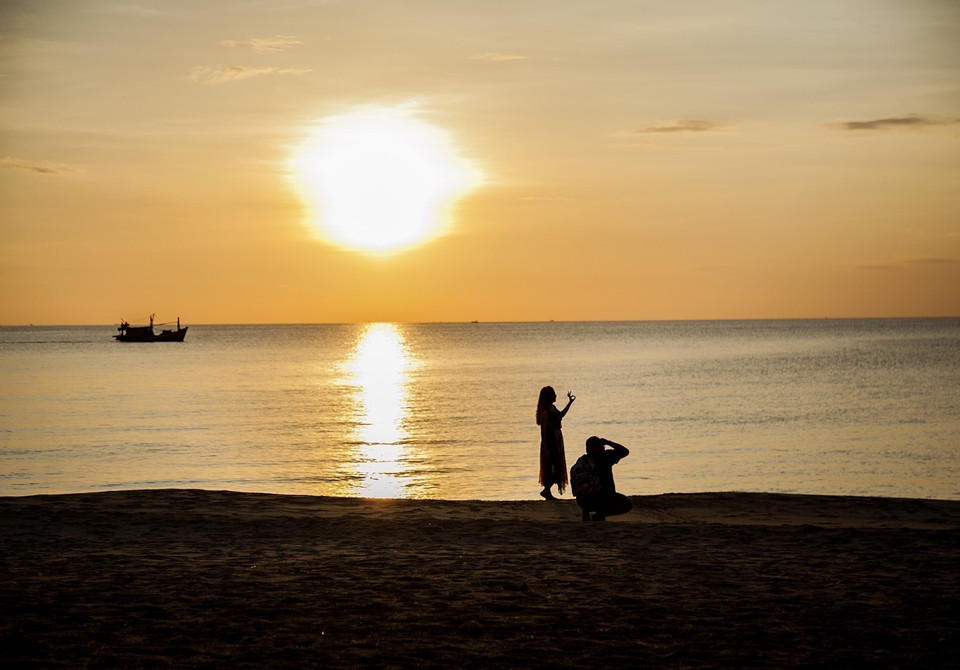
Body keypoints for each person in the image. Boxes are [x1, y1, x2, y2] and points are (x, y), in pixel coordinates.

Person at [576, 436, 632, 521]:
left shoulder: (582, 460)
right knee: (627, 504)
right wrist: (608, 442)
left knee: (589, 491)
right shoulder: (606, 457)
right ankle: (601, 514)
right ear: (601, 447)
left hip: (582, 501)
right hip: (603, 499)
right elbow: (625, 451)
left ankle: (586, 513)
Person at [536, 386, 575, 500]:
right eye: (553, 394)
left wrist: (570, 403)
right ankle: (546, 491)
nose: (555, 396)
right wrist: (546, 448)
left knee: (558, 467)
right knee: (552, 468)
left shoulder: (552, 408)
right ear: (548, 397)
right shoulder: (544, 412)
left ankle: (547, 491)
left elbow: (560, 416)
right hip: (550, 442)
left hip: (557, 441)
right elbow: (543, 432)